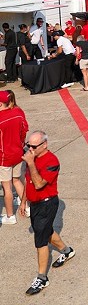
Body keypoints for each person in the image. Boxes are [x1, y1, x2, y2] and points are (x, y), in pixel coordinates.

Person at [20, 130, 75, 296]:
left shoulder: (52, 161)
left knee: (41, 241)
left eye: (33, 146)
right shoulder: (33, 157)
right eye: (28, 145)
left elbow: (38, 184)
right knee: (47, 231)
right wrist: (23, 201)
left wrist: (30, 163)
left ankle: (42, 278)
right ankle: (67, 251)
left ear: (44, 145)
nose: (29, 149)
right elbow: (28, 181)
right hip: (35, 204)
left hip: (47, 204)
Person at [0, 90, 28, 225]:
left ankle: (10, 216)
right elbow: (24, 130)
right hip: (17, 153)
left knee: (6, 187)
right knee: (17, 181)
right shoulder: (17, 113)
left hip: (4, 157)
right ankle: (26, 207)